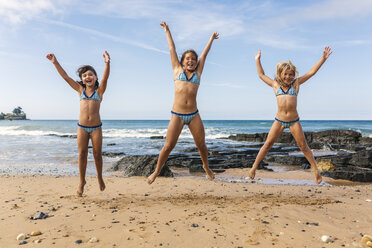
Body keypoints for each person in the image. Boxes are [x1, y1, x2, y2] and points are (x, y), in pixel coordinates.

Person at [147, 21, 218, 184]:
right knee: (168, 146)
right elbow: (172, 49)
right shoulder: (177, 70)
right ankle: (156, 171)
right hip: (177, 115)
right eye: (188, 59)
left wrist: (211, 39)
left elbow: (204, 55)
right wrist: (167, 30)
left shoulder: (198, 73)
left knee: (202, 145)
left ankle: (206, 167)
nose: (191, 61)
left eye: (193, 59)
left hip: (194, 115)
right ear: (182, 61)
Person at [249, 47, 333, 184]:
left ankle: (316, 171)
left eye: (291, 74)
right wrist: (257, 60)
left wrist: (323, 59)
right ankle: (253, 168)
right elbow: (261, 75)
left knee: (303, 146)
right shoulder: (275, 85)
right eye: (286, 74)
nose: (288, 77)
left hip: (294, 121)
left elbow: (311, 73)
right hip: (279, 121)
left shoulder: (296, 84)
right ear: (280, 74)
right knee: (268, 144)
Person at [46, 51, 110, 195]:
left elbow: (105, 79)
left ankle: (99, 177)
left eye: (90, 74)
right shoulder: (80, 90)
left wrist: (107, 63)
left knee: (97, 155)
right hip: (81, 128)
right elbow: (65, 77)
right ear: (82, 79)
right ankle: (82, 181)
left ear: (95, 77)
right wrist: (55, 62)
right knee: (82, 155)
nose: (88, 77)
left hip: (96, 128)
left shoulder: (99, 92)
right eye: (84, 75)